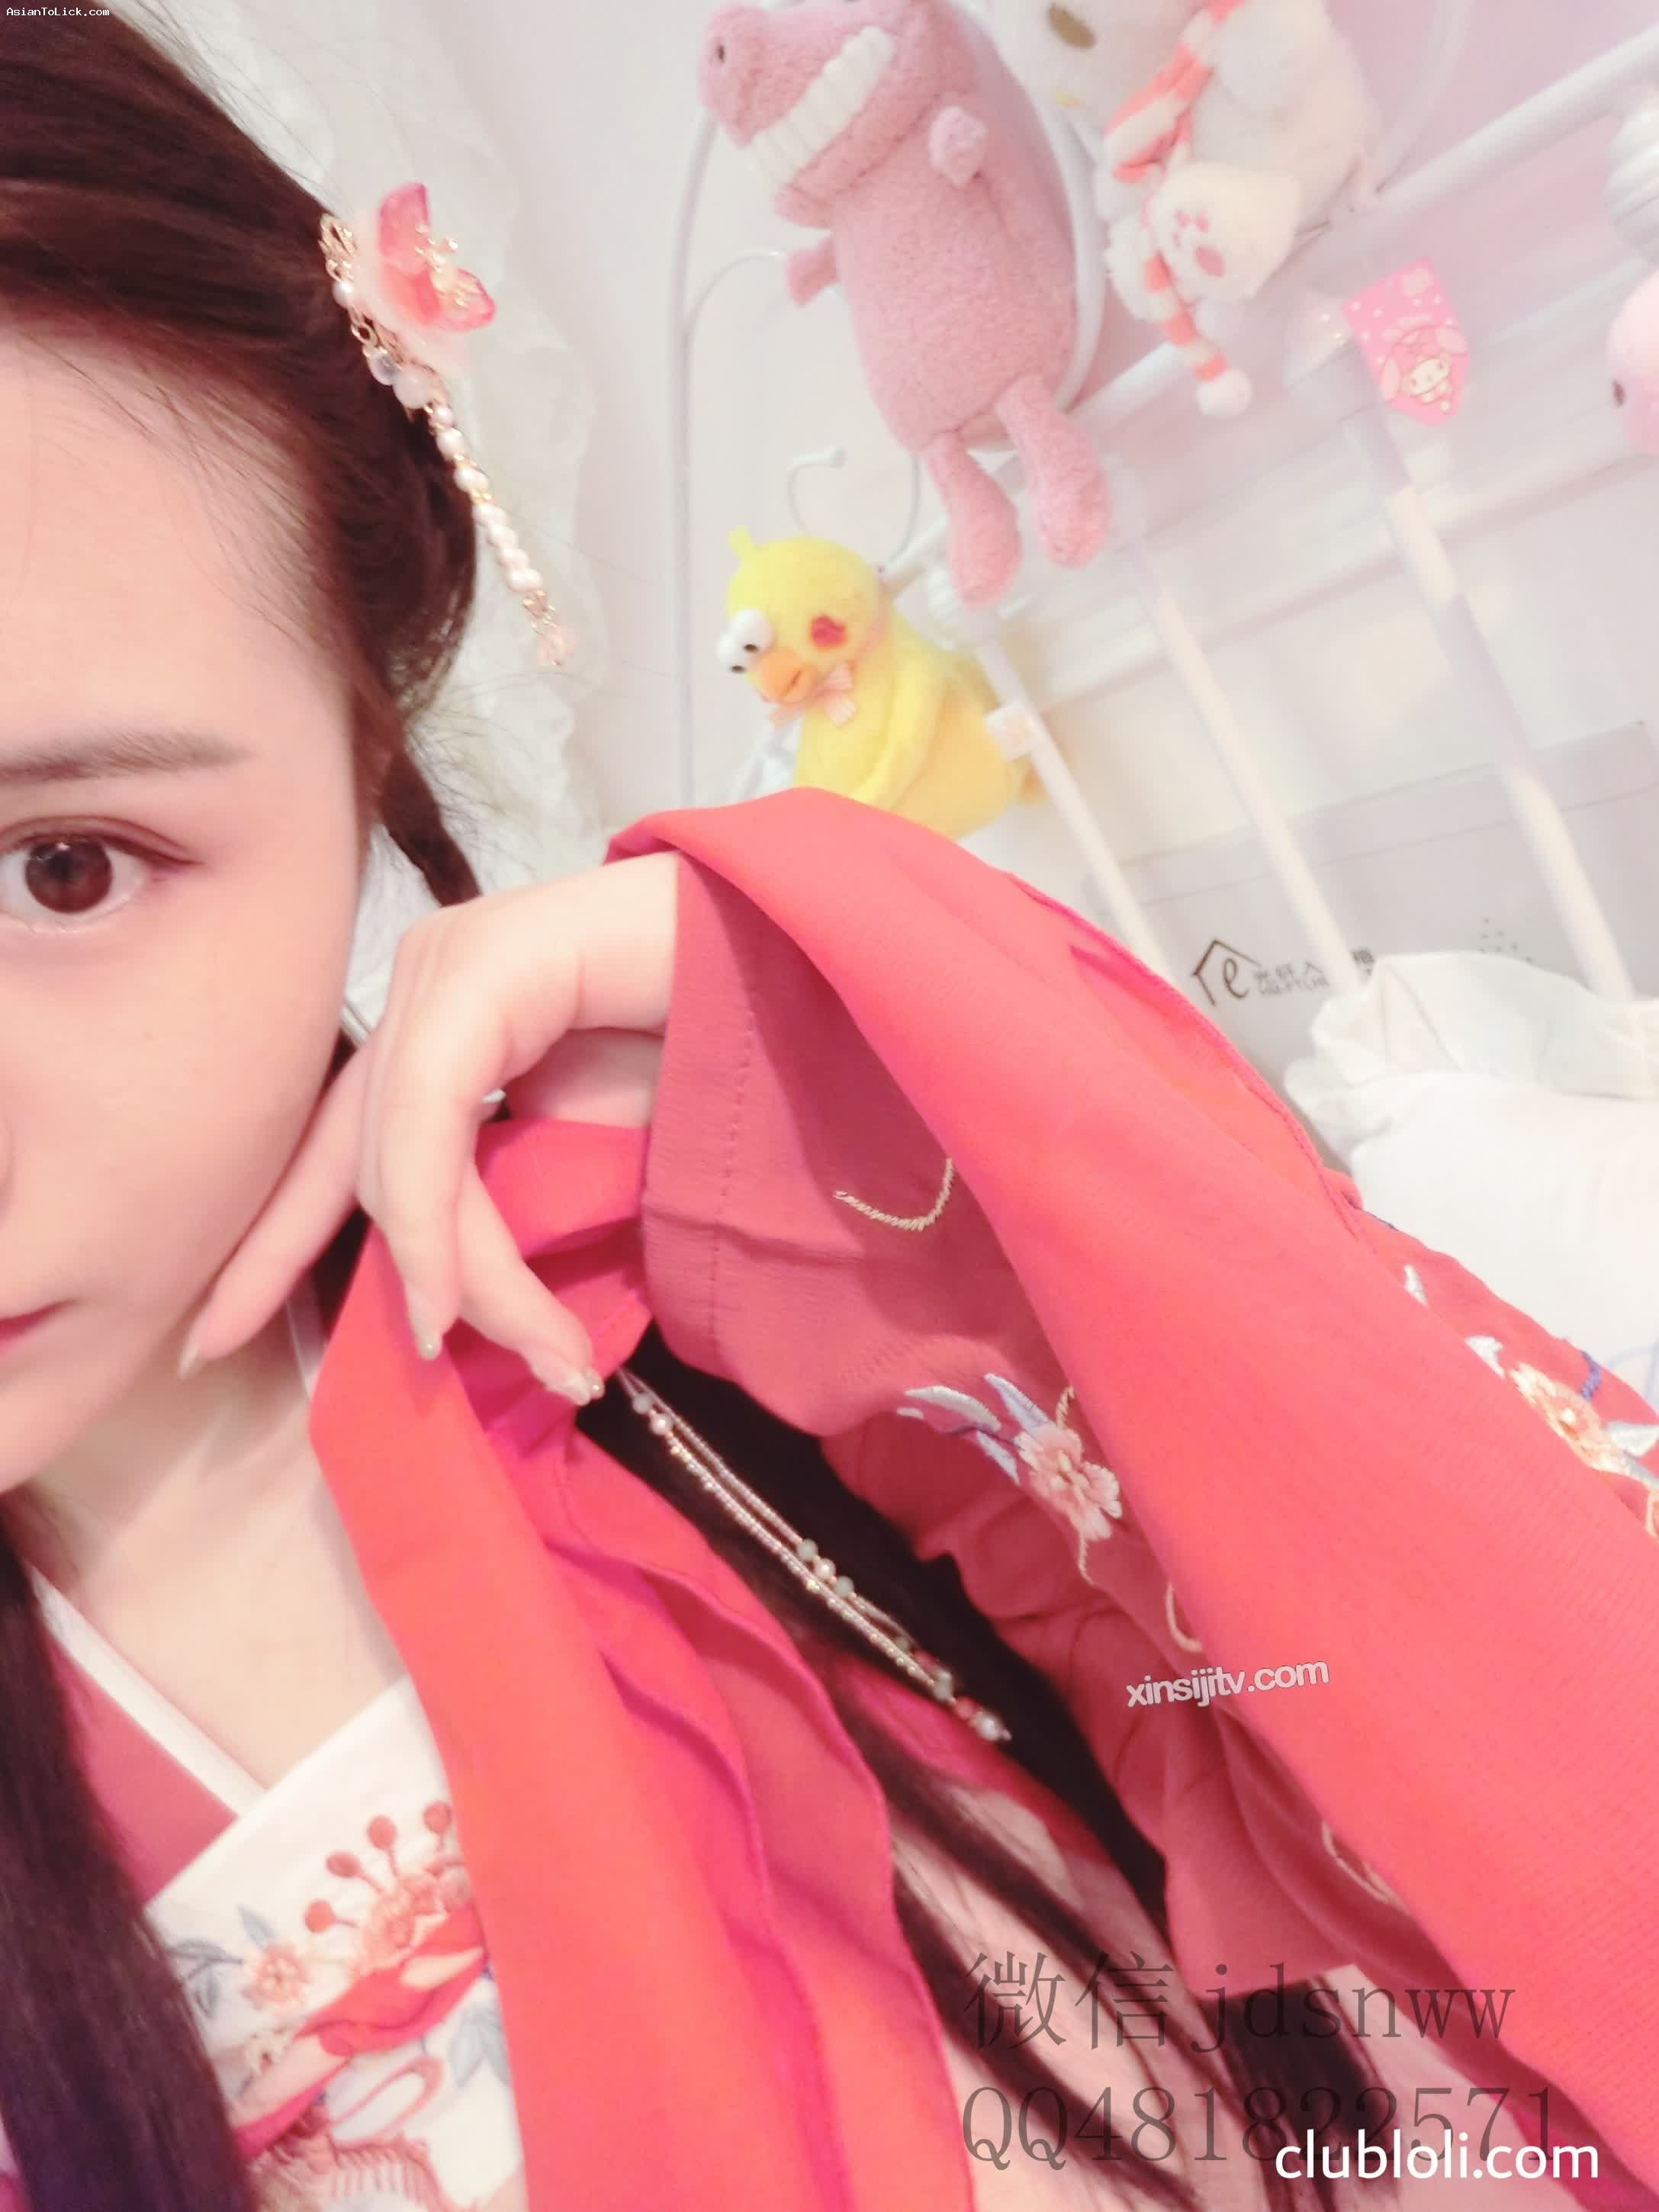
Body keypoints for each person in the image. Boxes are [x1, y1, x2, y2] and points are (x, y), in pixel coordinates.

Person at [1, 14, 1655, 2212]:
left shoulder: (709, 1249)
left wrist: (878, 1037)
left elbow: (1504, 1729)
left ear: (363, 731)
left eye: (65, 870)